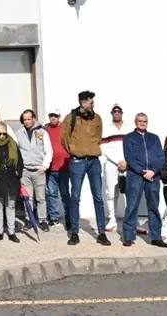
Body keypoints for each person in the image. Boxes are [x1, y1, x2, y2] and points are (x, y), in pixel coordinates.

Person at [61, 91, 111, 246]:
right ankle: (74, 232)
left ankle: (101, 233)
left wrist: (91, 148)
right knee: (75, 196)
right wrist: (75, 150)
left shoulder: (97, 118)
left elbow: (98, 135)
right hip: (77, 161)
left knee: (98, 197)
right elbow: (64, 138)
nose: (93, 104)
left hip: (94, 161)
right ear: (82, 102)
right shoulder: (70, 118)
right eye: (90, 102)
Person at [122, 113, 167, 248]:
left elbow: (160, 157)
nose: (142, 123)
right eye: (140, 121)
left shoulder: (154, 138)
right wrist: (143, 172)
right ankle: (128, 236)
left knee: (153, 206)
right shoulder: (128, 138)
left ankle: (155, 237)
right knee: (132, 206)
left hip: (153, 176)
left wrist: (153, 171)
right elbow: (129, 157)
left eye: (145, 121)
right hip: (135, 175)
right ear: (135, 122)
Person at [15, 109, 52, 232]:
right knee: (27, 197)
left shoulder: (42, 132)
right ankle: (29, 219)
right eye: (24, 119)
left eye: (29, 119)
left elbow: (48, 150)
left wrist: (44, 166)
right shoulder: (19, 133)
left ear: (33, 119)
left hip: (38, 170)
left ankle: (42, 220)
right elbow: (16, 152)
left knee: (41, 198)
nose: (26, 121)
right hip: (25, 170)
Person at [100, 104, 127, 233]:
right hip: (111, 163)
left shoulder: (129, 127)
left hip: (127, 164)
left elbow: (132, 146)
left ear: (122, 113)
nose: (117, 113)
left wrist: (126, 162)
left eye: (119, 111)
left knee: (130, 192)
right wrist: (117, 161)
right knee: (111, 192)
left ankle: (131, 219)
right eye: (114, 111)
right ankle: (112, 219)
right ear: (111, 113)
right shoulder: (106, 128)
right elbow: (103, 147)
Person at [44, 108, 71, 230]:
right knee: (52, 194)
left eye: (55, 116)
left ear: (59, 117)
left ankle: (70, 219)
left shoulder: (65, 128)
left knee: (65, 194)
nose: (53, 118)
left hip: (64, 167)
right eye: (51, 116)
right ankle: (54, 218)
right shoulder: (45, 129)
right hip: (51, 168)